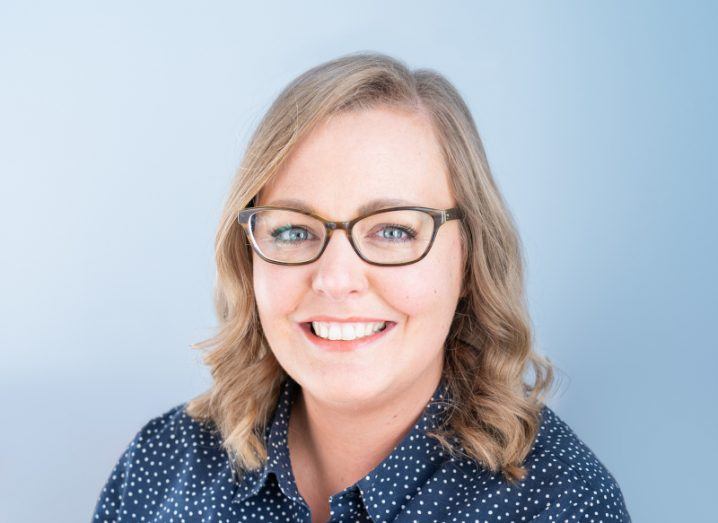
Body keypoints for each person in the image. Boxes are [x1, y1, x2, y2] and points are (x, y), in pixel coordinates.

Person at [92, 51, 631, 522]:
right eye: (294, 230)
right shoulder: (165, 463)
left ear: (469, 261)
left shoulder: (559, 505)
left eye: (394, 230)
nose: (335, 279)